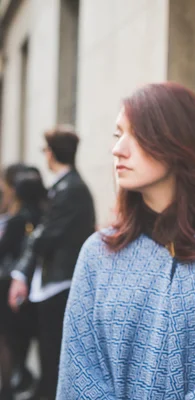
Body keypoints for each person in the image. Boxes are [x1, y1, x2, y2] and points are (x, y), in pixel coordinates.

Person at [56, 82, 195, 399]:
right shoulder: (97, 251)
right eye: (117, 135)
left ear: (179, 140)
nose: (118, 149)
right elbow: (80, 375)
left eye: (136, 134)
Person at [9, 126, 96, 400]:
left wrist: (20, 274)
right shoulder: (63, 187)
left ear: (51, 152)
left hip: (60, 284)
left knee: (54, 355)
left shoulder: (72, 189)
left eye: (45, 149)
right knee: (49, 353)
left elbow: (44, 236)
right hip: (52, 283)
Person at [0, 165, 46, 400]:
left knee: (8, 338)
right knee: (28, 338)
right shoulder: (45, 216)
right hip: (37, 288)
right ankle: (23, 377)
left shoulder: (18, 220)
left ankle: (10, 386)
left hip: (10, 287)